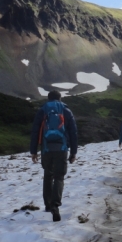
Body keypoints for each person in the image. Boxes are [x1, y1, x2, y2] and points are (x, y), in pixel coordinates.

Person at [30, 90, 77, 222]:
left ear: (48, 98)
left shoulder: (42, 110)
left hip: (46, 149)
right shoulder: (66, 110)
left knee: (47, 175)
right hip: (61, 149)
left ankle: (47, 205)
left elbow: (35, 131)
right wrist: (73, 152)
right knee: (59, 177)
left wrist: (33, 151)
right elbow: (73, 132)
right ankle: (55, 205)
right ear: (60, 98)